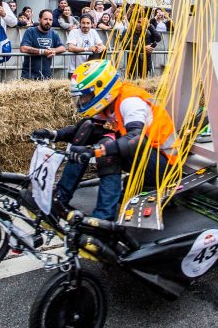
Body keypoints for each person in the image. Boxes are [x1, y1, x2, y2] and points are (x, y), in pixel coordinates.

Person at [34, 59, 177, 220]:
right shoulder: (110, 102)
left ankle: (103, 217)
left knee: (106, 147)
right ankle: (60, 197)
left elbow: (136, 139)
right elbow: (81, 129)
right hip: (144, 156)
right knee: (87, 127)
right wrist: (53, 134)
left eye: (86, 96)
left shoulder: (130, 101)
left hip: (164, 165)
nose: (82, 102)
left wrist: (94, 151)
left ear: (102, 88)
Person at [19, 9, 66, 80]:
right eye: (45, 19)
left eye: (50, 20)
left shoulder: (54, 33)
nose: (48, 22)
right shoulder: (30, 31)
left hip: (46, 75)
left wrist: (54, 51)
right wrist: (43, 52)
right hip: (29, 76)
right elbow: (23, 48)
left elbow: (63, 47)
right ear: (39, 19)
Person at [123, 10, 161, 79]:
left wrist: (149, 25)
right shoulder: (127, 32)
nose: (140, 24)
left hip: (145, 63)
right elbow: (125, 45)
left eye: (142, 22)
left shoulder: (147, 32)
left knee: (143, 84)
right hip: (132, 64)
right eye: (138, 22)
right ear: (132, 22)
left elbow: (158, 38)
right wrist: (143, 48)